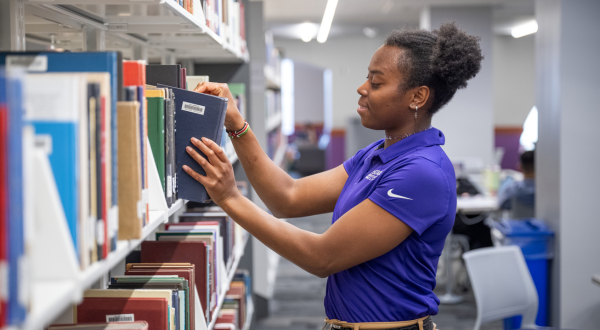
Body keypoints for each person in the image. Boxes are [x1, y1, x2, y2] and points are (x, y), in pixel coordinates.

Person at [185, 22, 483, 330]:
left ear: (417, 97)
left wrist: (230, 198)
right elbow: (288, 197)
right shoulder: (376, 154)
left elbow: (321, 257)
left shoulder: (422, 172)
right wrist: (237, 125)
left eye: (376, 83)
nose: (362, 88)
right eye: (367, 77)